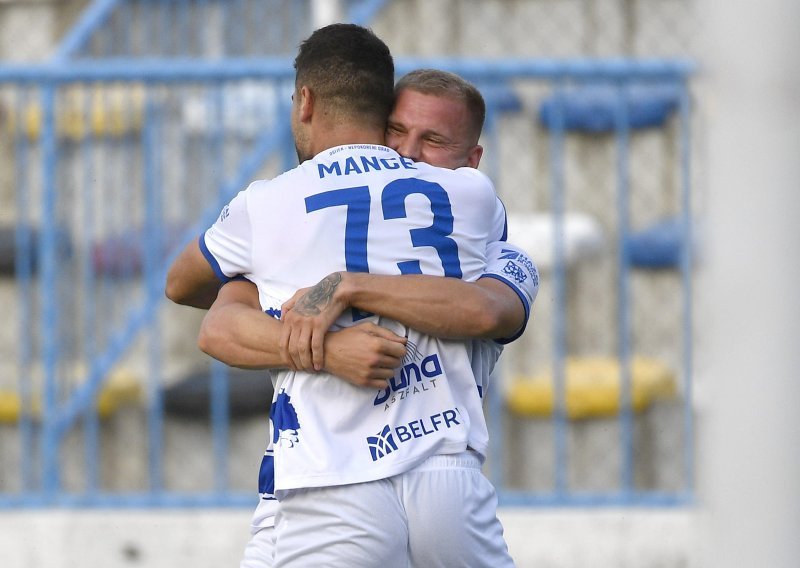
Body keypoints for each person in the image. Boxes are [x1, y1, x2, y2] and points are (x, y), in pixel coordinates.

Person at [165, 25, 526, 568]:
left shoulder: (271, 206)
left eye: (431, 139)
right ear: (382, 114)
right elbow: (484, 307)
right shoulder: (473, 196)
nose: (412, 149)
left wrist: (320, 292)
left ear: (304, 101)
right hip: (448, 472)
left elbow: (183, 287)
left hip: (331, 479)